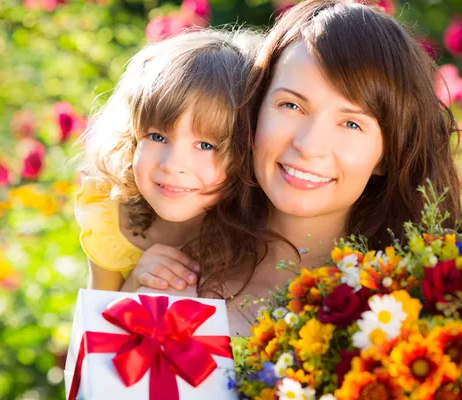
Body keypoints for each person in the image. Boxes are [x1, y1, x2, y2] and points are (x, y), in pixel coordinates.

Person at [126, 0, 462, 336]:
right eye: (291, 105)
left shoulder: (412, 308)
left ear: (388, 155)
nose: (309, 145)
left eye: (351, 124)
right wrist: (127, 302)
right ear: (255, 106)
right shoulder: (172, 265)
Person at [75, 29, 258, 292]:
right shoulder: (113, 216)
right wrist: (135, 282)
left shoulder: (259, 230)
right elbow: (91, 326)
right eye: (157, 137)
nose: (172, 164)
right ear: (132, 135)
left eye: (205, 145)